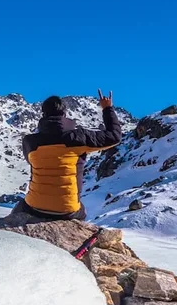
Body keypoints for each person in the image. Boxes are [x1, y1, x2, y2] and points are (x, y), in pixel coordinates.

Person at [13, 90, 122, 221]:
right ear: (64, 114)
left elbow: (30, 161)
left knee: (20, 207)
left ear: (43, 114)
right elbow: (114, 136)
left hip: (34, 206)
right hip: (66, 210)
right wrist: (107, 108)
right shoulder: (78, 137)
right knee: (81, 211)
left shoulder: (29, 141)